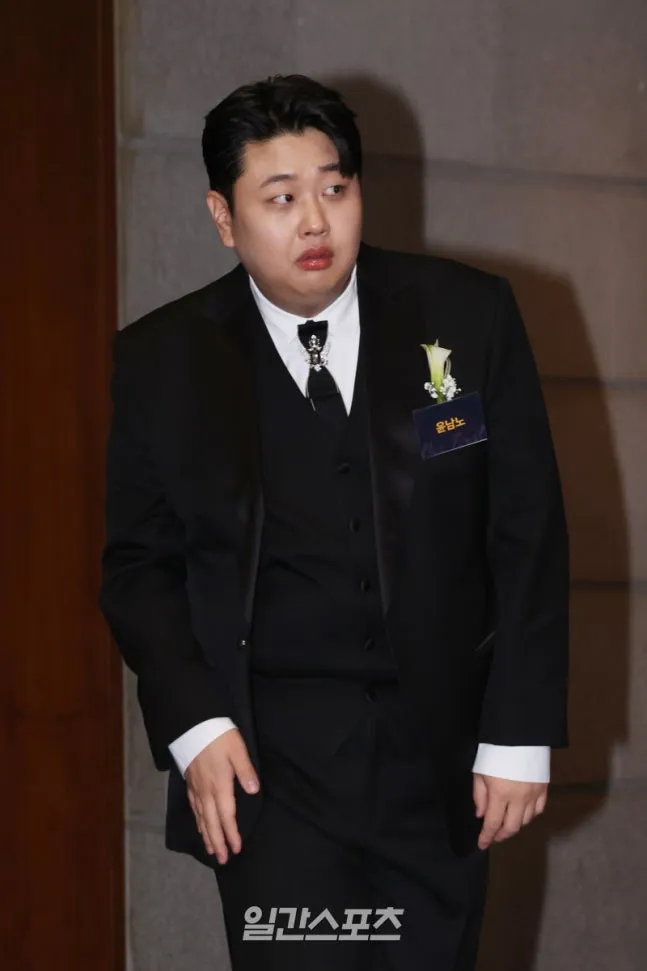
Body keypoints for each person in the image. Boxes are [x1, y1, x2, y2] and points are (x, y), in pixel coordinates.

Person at [100, 74, 569, 971]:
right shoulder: (163, 360)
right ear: (223, 216)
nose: (314, 222)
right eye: (280, 198)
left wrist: (519, 728)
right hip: (269, 773)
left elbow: (526, 533)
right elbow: (138, 567)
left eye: (335, 188)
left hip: (438, 764)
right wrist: (195, 726)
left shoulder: (466, 316)